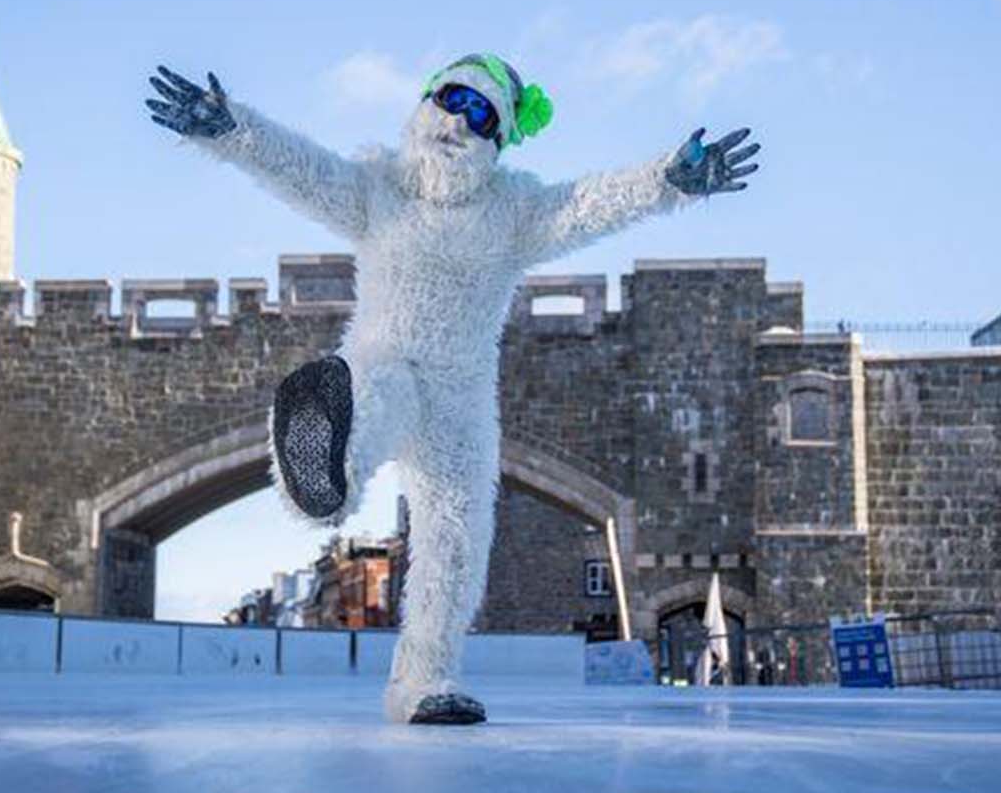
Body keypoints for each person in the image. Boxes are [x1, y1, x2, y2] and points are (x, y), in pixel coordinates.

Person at [145, 54, 759, 723]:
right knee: (372, 399)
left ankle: (423, 684)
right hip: (388, 360)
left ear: (497, 140)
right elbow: (302, 169)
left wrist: (666, 180)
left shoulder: (513, 211)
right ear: (426, 101)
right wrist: (232, 128)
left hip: (462, 400)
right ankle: (322, 472)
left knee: (455, 543)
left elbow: (588, 205)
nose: (460, 121)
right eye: (453, 98)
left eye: (481, 114)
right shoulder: (379, 189)